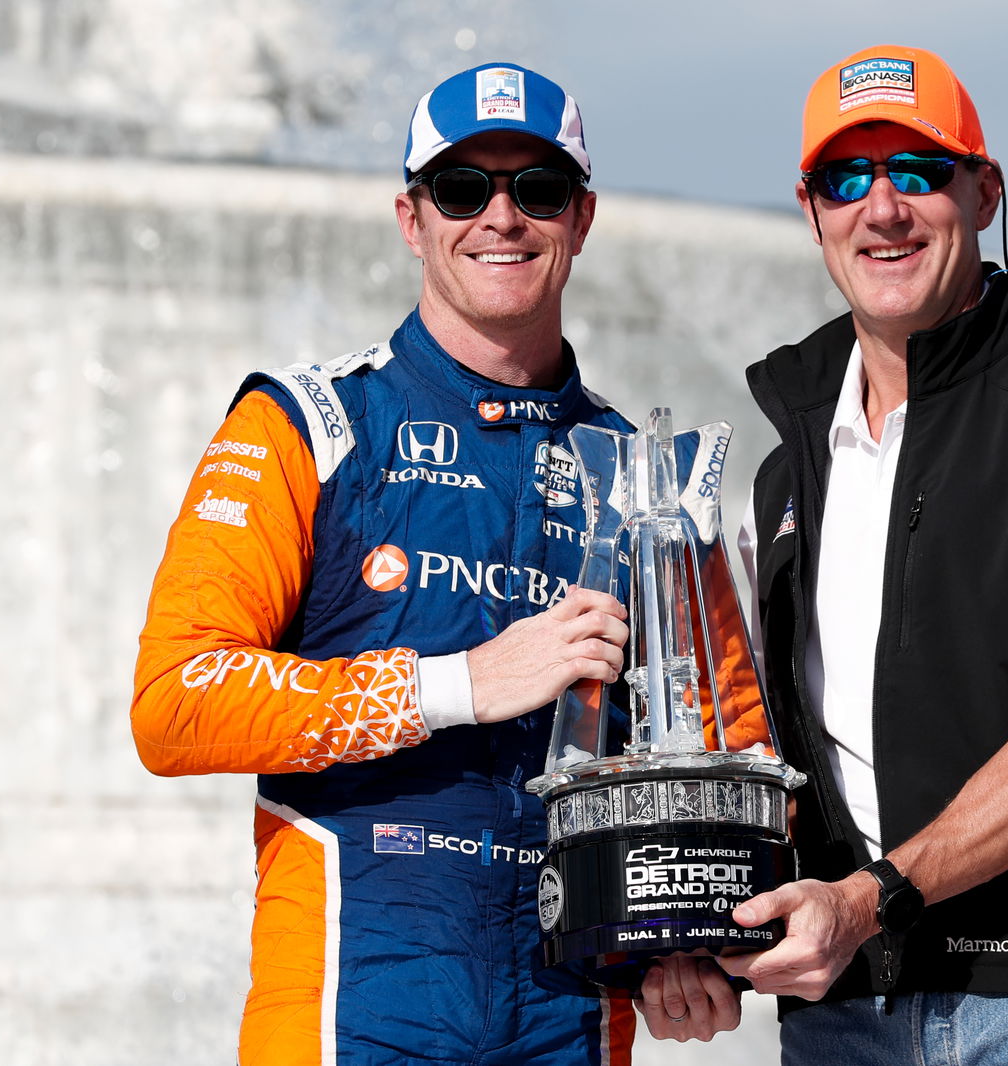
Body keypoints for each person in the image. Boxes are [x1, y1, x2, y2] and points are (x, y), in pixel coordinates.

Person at [130, 61, 654, 1065]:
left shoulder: (639, 474)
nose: (500, 216)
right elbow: (174, 701)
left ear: (580, 220)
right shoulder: (310, 423)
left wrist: (689, 944)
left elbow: (720, 735)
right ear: (412, 219)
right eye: (463, 188)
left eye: (536, 190)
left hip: (570, 1018)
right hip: (347, 1006)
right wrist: (459, 685)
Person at [715, 44, 1008, 1064]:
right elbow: (769, 745)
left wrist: (874, 897)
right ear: (811, 213)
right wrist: (686, 935)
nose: (883, 207)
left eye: (919, 171)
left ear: (983, 192)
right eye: (848, 178)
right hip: (845, 1008)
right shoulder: (788, 465)